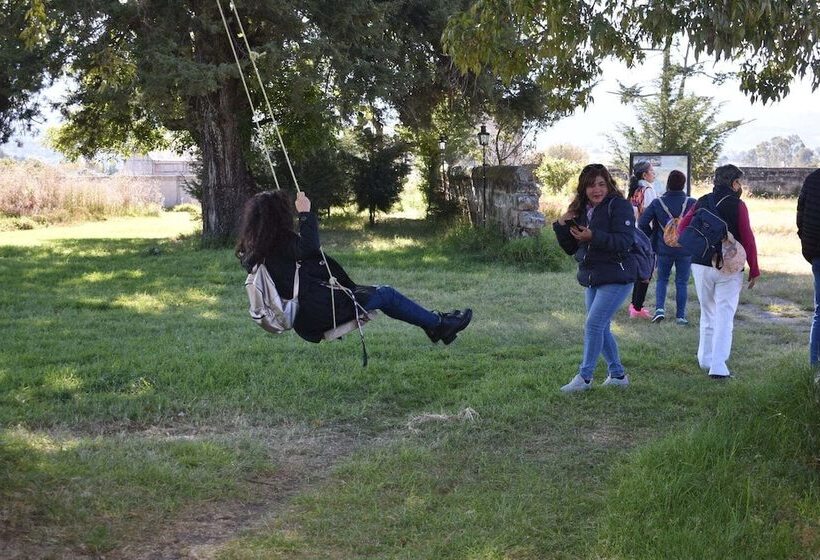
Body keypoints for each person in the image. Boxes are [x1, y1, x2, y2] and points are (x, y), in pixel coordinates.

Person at [235, 190, 472, 345]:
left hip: (307, 316)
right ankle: (440, 325)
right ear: (279, 216)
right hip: (321, 311)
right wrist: (305, 213)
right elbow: (310, 248)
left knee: (381, 294)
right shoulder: (282, 243)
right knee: (386, 294)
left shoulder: (256, 250)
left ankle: (435, 325)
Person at [553, 164, 637, 393]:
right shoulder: (582, 209)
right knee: (601, 327)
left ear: (609, 184)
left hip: (617, 274)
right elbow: (572, 248)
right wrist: (561, 226)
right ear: (583, 188)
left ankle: (585, 377)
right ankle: (618, 375)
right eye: (591, 185)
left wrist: (594, 236)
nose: (596, 189)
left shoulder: (619, 206)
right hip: (593, 275)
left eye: (601, 184)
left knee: (594, 324)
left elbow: (624, 241)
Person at [678, 164, 760, 379]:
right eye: (738, 181)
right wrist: (754, 268)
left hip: (701, 264)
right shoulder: (738, 205)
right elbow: (747, 237)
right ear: (733, 183)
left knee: (708, 313)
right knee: (725, 315)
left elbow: (682, 228)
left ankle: (704, 359)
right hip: (730, 266)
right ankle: (718, 366)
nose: (739, 185)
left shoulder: (702, 201)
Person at [638, 169, 697, 325]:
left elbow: (642, 222)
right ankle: (680, 316)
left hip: (663, 248)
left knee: (662, 279)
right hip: (685, 249)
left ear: (668, 184)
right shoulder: (692, 203)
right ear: (684, 184)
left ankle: (659, 310)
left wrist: (653, 237)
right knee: (682, 282)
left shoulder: (658, 202)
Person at [627, 161, 657, 319]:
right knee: (647, 271)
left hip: (634, 233)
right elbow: (652, 213)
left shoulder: (635, 189)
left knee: (639, 270)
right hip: (646, 234)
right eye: (652, 171)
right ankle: (637, 307)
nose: (654, 173)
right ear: (645, 174)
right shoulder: (648, 189)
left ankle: (634, 305)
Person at [796, 168, 820, 366]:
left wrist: (806, 243)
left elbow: (800, 214)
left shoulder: (811, 179)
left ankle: (814, 368)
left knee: (819, 312)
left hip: (816, 252)